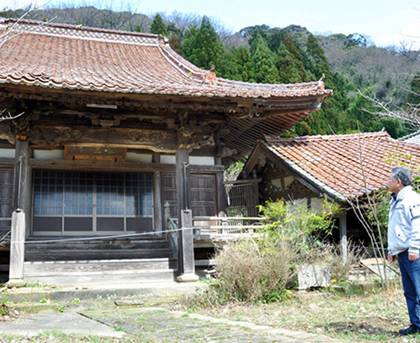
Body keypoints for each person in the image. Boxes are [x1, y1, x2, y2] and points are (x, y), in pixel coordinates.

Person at [387, 166, 420, 336]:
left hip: (413, 253)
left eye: (390, 179)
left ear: (398, 182)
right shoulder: (395, 199)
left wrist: (415, 248)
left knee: (419, 289)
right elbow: (396, 227)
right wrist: (392, 249)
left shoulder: (412, 199)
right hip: (402, 252)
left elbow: (417, 226)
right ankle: (416, 324)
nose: (387, 182)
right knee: (410, 291)